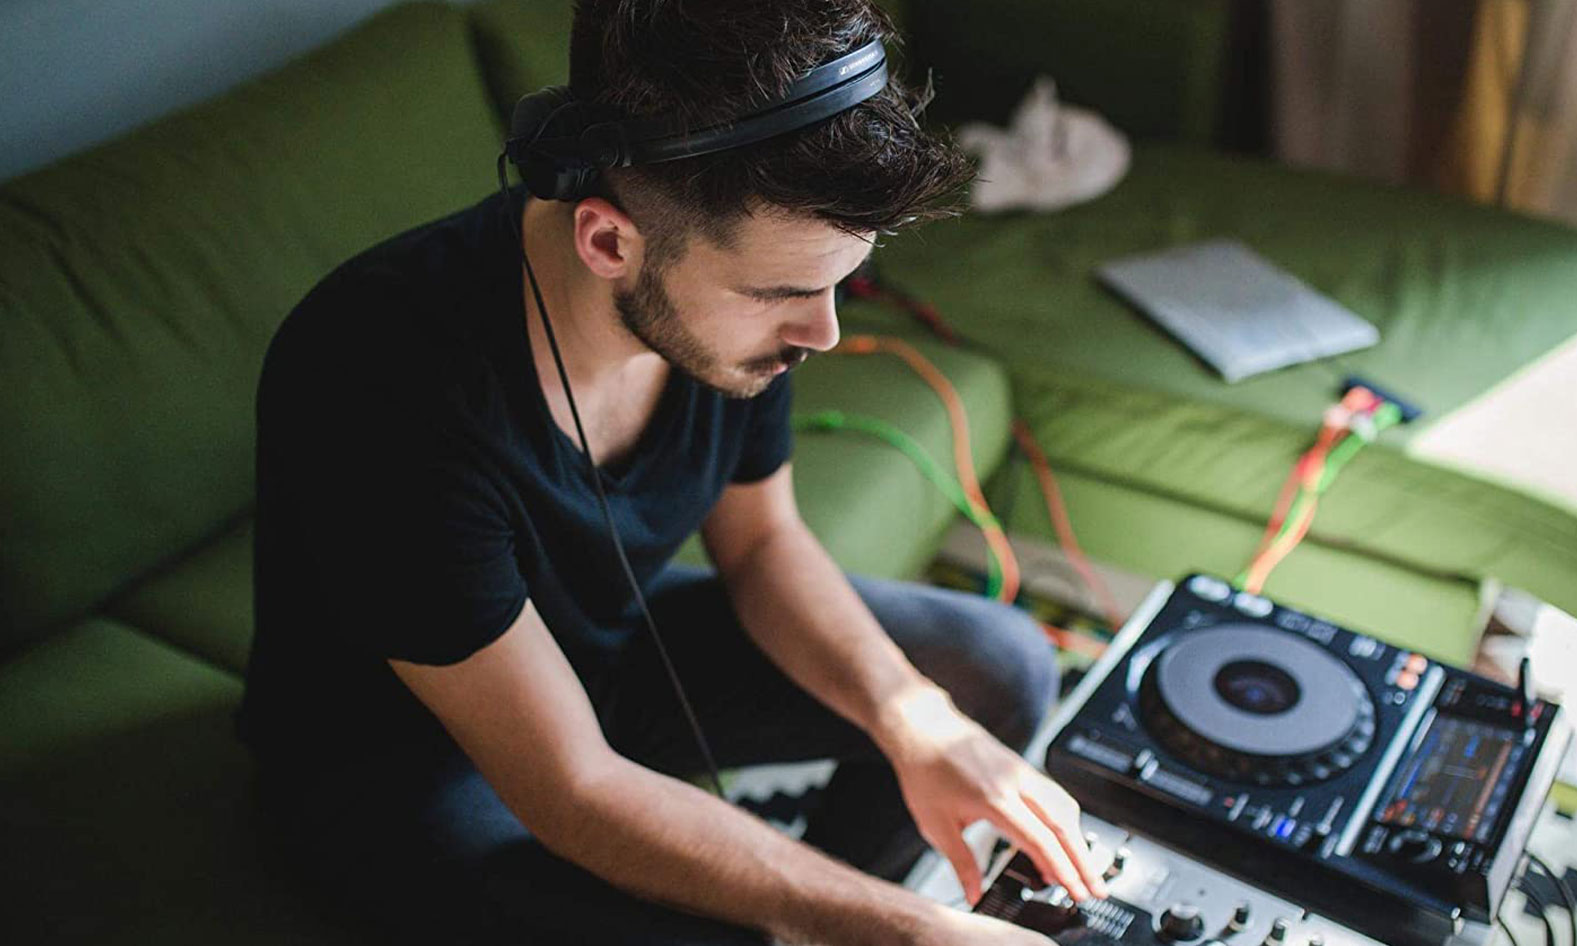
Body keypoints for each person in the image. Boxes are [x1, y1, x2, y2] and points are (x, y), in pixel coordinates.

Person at [237, 1, 1106, 942]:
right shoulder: (377, 378)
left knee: (996, 671)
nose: (824, 334)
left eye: (837, 283)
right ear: (608, 242)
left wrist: (918, 725)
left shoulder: (731, 313)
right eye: (783, 294)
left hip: (603, 660)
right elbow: (571, 787)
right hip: (410, 756)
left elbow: (765, 544)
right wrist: (908, 928)